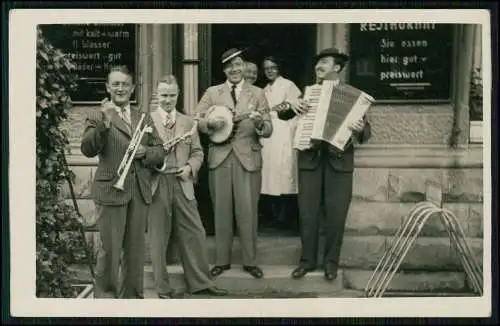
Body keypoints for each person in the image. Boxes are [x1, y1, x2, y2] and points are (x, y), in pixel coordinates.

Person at [276, 48, 372, 281]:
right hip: (310, 160)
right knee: (308, 214)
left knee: (336, 215)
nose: (319, 66)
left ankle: (331, 263)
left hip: (339, 163)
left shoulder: (353, 96)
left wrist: (360, 130)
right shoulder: (307, 94)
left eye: (325, 62)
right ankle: (307, 261)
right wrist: (291, 106)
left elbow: (366, 131)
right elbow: (283, 114)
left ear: (337, 68)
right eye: (318, 62)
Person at [80, 65, 166, 298]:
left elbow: (160, 151)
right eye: (115, 84)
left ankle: (132, 300)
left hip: (138, 191)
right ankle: (106, 301)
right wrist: (105, 124)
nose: (120, 88)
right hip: (111, 189)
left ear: (132, 88)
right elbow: (87, 148)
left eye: (125, 84)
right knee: (109, 250)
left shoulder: (143, 116)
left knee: (135, 252)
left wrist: (145, 152)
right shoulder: (97, 115)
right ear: (108, 87)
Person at [147, 75, 228, 298]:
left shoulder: (187, 122)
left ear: (178, 94)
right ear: (156, 95)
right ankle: (162, 288)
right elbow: (140, 154)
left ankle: (201, 283)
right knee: (158, 238)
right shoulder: (147, 121)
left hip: (183, 182)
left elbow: (198, 152)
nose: (168, 100)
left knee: (196, 231)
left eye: (172, 95)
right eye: (163, 95)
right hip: (157, 182)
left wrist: (191, 168)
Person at [196, 47, 273, 279]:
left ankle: (250, 261)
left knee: (248, 211)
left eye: (238, 64)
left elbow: (268, 129)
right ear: (224, 69)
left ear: (245, 67)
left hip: (247, 158)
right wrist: (211, 124)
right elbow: (197, 120)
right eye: (229, 65)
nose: (234, 69)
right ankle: (222, 261)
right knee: (221, 211)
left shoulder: (257, 94)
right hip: (219, 157)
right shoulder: (212, 92)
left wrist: (259, 123)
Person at [259, 56, 301, 232]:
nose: (270, 71)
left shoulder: (288, 85)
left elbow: (295, 107)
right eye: (267, 68)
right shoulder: (264, 90)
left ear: (279, 68)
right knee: (269, 176)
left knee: (284, 174)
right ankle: (273, 215)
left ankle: (286, 217)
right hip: (268, 136)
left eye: (273, 67)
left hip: (284, 133)